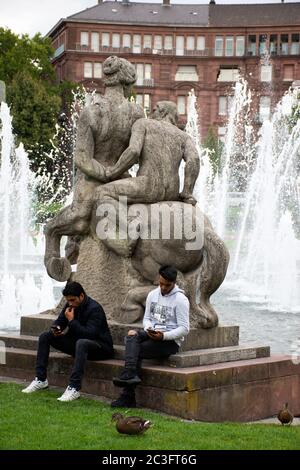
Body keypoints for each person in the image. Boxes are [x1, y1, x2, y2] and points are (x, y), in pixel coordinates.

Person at [44, 56, 144, 281]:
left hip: (93, 181)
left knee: (68, 222)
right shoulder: (137, 113)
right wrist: (117, 173)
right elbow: (138, 152)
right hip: (124, 181)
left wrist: (104, 174)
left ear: (106, 81)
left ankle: (53, 251)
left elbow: (82, 158)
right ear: (128, 84)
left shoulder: (91, 112)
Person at [93, 101, 200, 257]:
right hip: (171, 192)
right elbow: (194, 160)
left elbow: (134, 151)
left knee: (100, 193)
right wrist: (187, 192)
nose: (151, 113)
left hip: (148, 185)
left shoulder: (143, 124)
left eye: (154, 109)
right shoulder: (184, 136)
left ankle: (130, 224)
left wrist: (113, 172)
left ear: (162, 112)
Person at [111, 265, 189, 408]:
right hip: (151, 332)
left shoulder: (181, 300)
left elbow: (184, 329)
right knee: (131, 336)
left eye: (167, 285)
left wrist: (163, 336)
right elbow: (146, 319)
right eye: (161, 284)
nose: (164, 288)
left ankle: (128, 393)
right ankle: (129, 376)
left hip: (169, 341)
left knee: (136, 350)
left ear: (174, 282)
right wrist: (149, 329)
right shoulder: (152, 295)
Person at [22, 281, 114, 401]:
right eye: (68, 300)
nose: (70, 303)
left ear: (81, 296)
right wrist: (57, 329)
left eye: (72, 300)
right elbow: (59, 321)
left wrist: (71, 321)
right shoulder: (70, 305)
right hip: (78, 346)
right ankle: (41, 379)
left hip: (100, 348)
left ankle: (74, 388)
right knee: (45, 336)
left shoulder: (95, 309)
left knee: (82, 342)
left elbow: (89, 334)